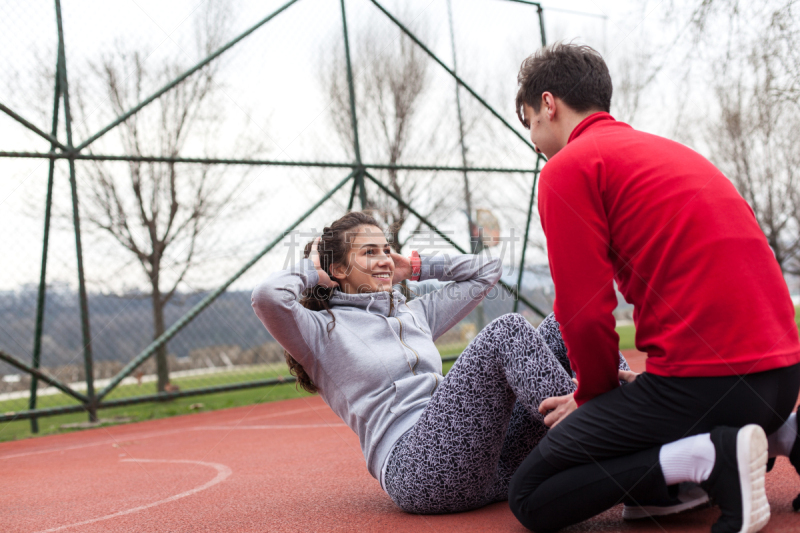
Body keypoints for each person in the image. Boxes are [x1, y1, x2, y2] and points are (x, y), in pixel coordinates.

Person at [507, 43, 800, 533]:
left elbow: (584, 310)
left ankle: (716, 458)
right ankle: (784, 435)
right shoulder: (672, 152)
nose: (533, 138)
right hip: (783, 381)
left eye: (527, 121)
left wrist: (593, 397)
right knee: (642, 484)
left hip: (710, 386)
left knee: (531, 495)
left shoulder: (568, 167)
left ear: (548, 104)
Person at [251, 211, 635, 514]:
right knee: (507, 330)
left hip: (489, 460)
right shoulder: (320, 333)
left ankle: (627, 420)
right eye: (369, 253)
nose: (383, 260)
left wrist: (415, 267)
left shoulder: (414, 313)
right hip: (419, 470)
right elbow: (267, 296)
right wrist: (314, 270)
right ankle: (614, 432)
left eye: (386, 250)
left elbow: (487, 272)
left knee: (566, 321)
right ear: (336, 270)